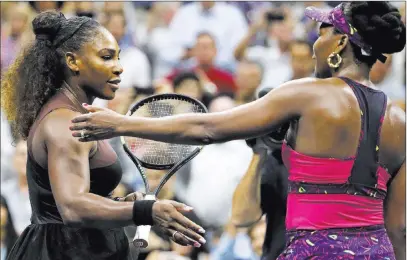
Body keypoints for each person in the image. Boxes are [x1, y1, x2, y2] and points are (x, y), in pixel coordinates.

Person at [70, 2, 406, 259]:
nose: (315, 41)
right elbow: (400, 227)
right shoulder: (400, 120)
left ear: (341, 43)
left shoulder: (306, 93)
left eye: (322, 32)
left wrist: (123, 123)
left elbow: (207, 127)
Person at [1, 11, 205, 260]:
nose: (119, 68)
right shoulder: (65, 123)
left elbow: (70, 200)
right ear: (73, 61)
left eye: (118, 57)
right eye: (106, 57)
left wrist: (122, 204)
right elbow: (73, 208)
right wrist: (145, 210)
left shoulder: (73, 116)